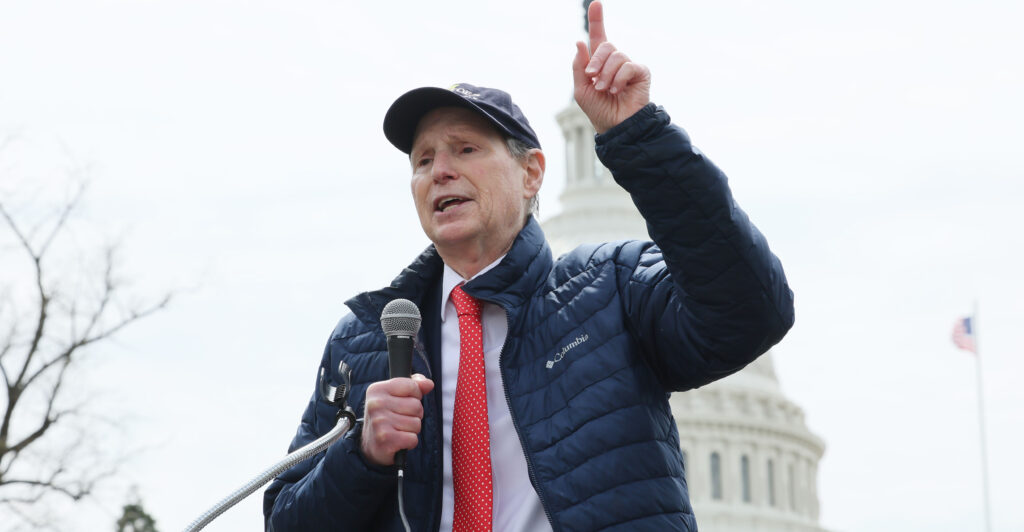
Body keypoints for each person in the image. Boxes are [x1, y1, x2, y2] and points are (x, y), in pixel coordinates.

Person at [263, 2, 794, 531]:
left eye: (465, 149)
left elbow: (750, 313)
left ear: (531, 173)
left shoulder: (612, 287)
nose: (440, 171)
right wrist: (361, 456)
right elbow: (284, 520)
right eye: (423, 160)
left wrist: (639, 138)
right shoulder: (365, 341)